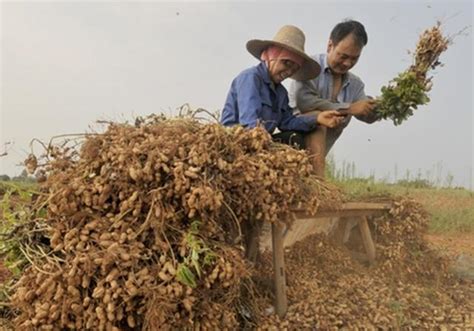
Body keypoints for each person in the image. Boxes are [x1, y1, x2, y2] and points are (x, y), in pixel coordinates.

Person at [220, 25, 345, 154]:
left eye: (294, 68)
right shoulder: (250, 78)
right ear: (270, 57)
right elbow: (249, 123)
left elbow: (287, 122)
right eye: (287, 63)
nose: (289, 72)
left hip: (262, 142)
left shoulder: (281, 93)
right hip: (236, 142)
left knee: (294, 139)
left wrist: (318, 118)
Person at [289, 20, 379, 155]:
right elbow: (305, 103)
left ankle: (316, 173)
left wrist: (378, 108)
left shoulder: (356, 84)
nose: (347, 63)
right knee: (317, 118)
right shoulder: (309, 67)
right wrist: (350, 108)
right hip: (290, 145)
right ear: (330, 45)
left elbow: (364, 112)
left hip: (318, 156)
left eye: (354, 59)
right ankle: (318, 176)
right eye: (343, 56)